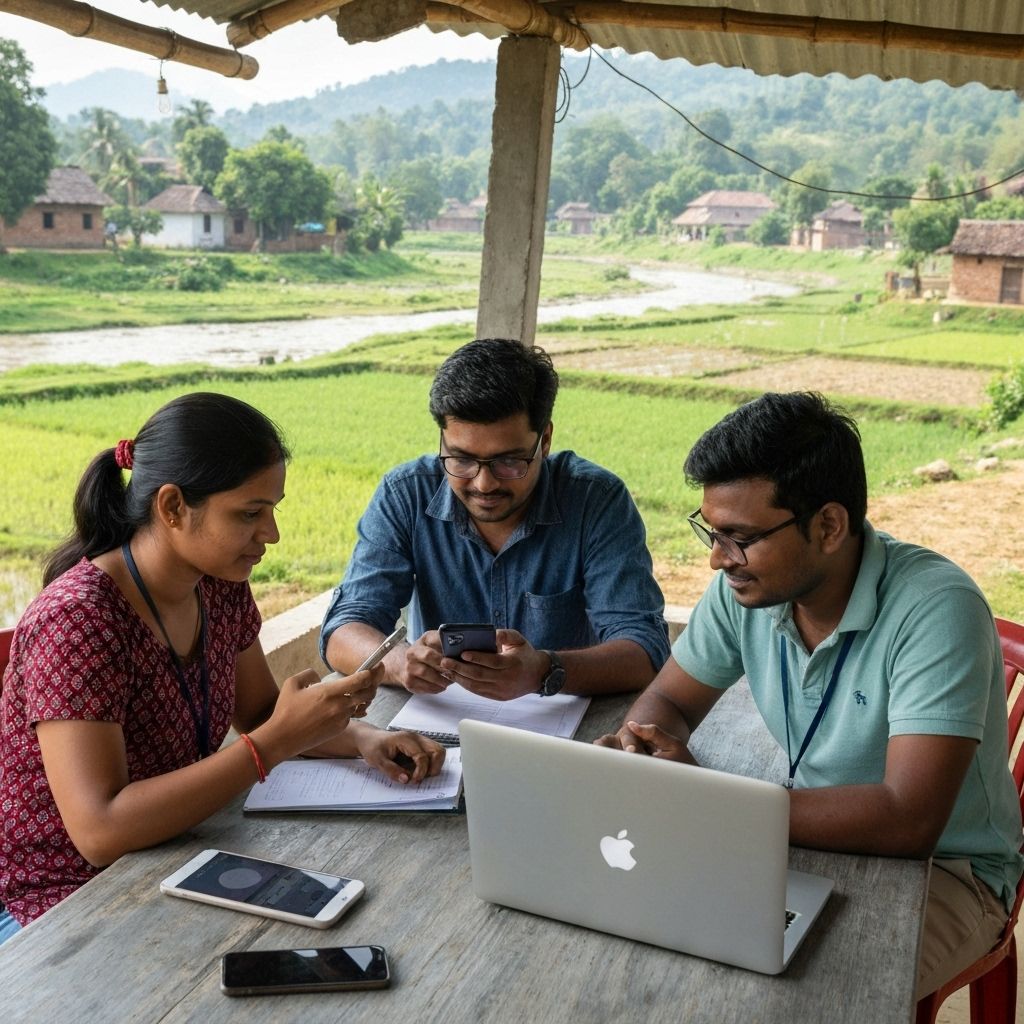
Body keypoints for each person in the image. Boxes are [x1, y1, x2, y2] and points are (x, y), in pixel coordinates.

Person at [596, 391, 1023, 999]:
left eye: (739, 536)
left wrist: (715, 804)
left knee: (794, 994)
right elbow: (671, 701)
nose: (718, 559)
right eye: (711, 532)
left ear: (828, 526)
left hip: (946, 872)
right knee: (652, 930)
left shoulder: (935, 610)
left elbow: (909, 819)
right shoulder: (746, 588)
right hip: (808, 830)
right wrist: (640, 746)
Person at [0, 392, 444, 939]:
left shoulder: (217, 585)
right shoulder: (80, 621)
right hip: (66, 900)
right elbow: (99, 831)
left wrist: (364, 740)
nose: (271, 533)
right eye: (250, 513)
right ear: (172, 507)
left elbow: (259, 711)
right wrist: (273, 744)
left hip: (176, 853)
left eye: (273, 509)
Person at [321, 338, 670, 700]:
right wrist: (399, 663)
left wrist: (544, 670)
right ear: (442, 439)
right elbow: (343, 627)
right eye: (461, 459)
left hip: (565, 714)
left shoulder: (596, 501)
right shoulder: (405, 494)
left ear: (544, 440)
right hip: (438, 718)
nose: (483, 484)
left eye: (509, 462)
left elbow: (644, 650)